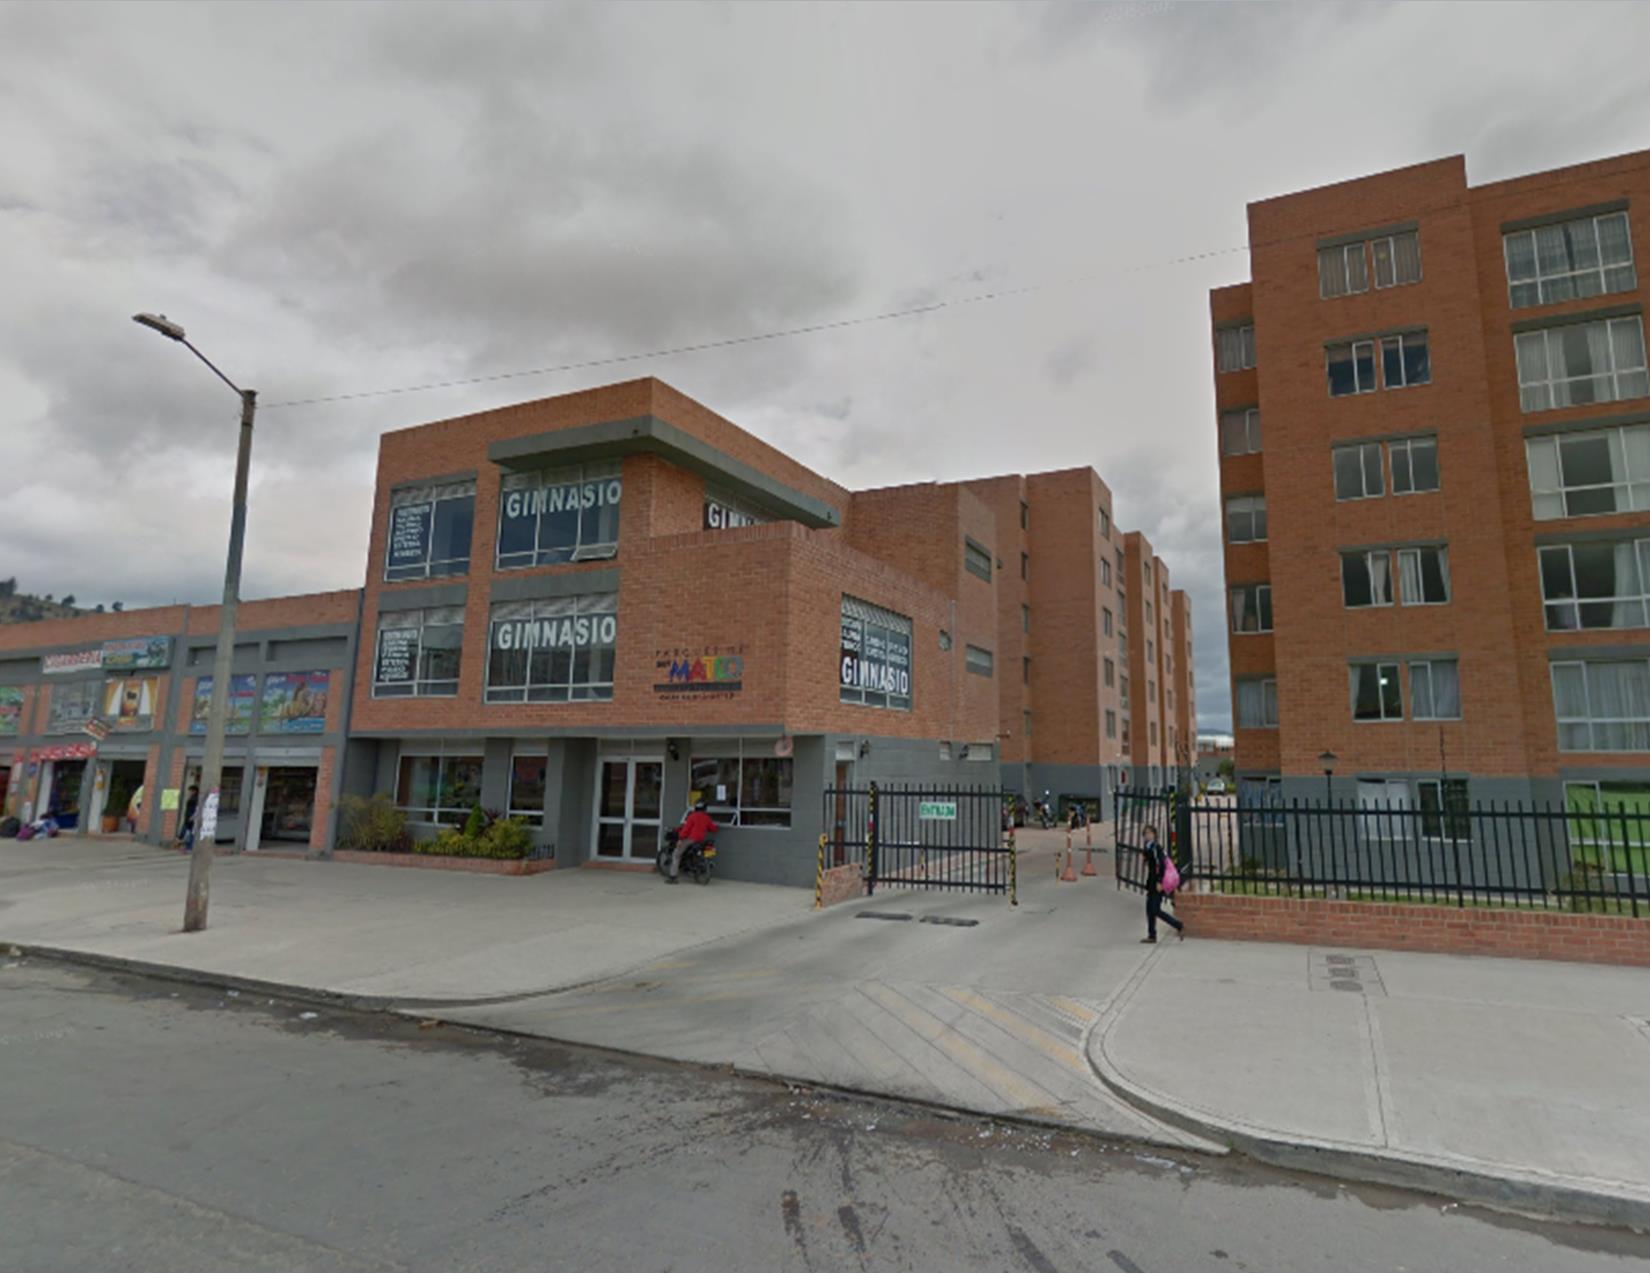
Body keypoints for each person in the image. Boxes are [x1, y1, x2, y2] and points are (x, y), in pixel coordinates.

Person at [1140, 822, 1184, 944]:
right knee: (1149, 909)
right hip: (1151, 882)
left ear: (1155, 835)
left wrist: (1159, 882)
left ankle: (1178, 925)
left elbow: (1161, 865)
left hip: (1157, 883)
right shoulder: (1148, 847)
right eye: (1146, 833)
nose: (1148, 835)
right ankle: (1151, 935)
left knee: (1155, 909)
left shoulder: (1156, 848)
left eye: (1150, 833)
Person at [668, 799, 717, 883]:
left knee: (676, 855)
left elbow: (686, 829)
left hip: (690, 839)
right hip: (700, 840)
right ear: (705, 808)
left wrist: (680, 839)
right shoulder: (706, 817)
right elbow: (713, 829)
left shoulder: (692, 816)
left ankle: (673, 877)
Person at [180, 785, 200, 851]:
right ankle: (187, 846)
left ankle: (189, 847)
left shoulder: (195, 799)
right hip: (188, 817)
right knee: (187, 832)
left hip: (191, 818)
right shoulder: (192, 798)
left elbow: (197, 809)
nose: (189, 792)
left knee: (189, 832)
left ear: (194, 791)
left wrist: (193, 817)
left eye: (190, 791)